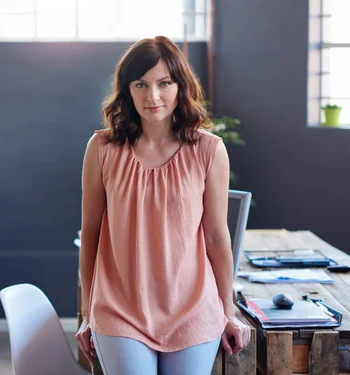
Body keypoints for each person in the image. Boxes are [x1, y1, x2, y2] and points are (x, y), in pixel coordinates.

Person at [75, 35, 251, 375]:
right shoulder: (102, 148)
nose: (152, 96)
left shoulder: (209, 151)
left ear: (180, 86)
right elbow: (91, 233)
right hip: (120, 310)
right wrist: (88, 312)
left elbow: (217, 238)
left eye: (164, 83)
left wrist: (227, 310)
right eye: (140, 84)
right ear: (127, 89)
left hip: (192, 310)